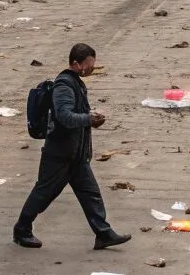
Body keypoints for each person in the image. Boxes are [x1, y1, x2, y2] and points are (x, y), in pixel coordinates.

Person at [13, 43, 131, 251]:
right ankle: (22, 230)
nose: (91, 69)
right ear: (76, 63)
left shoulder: (75, 82)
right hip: (59, 154)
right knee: (43, 193)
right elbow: (64, 116)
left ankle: (103, 233)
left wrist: (89, 117)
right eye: (88, 65)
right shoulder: (64, 86)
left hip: (76, 154)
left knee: (90, 193)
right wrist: (89, 118)